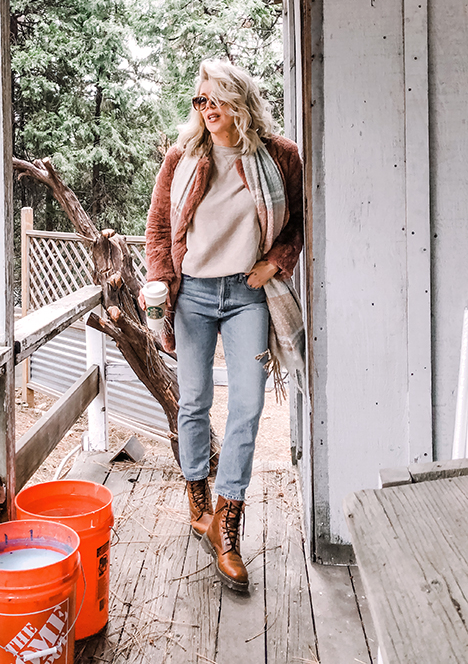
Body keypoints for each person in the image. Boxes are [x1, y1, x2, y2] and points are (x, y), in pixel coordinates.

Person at [141, 58, 304, 592]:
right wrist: (162, 282)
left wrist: (276, 263)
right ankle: (199, 500)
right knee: (193, 401)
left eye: (219, 100)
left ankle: (227, 525)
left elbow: (298, 221)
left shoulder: (279, 158)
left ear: (242, 103)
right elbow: (160, 228)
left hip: (245, 295)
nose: (209, 110)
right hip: (193, 295)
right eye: (201, 101)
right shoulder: (183, 157)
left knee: (250, 407)